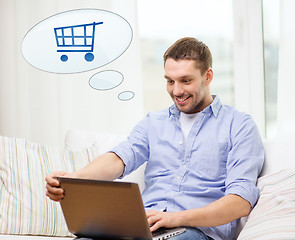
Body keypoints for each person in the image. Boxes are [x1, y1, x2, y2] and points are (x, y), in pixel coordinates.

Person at [46, 37, 264, 240]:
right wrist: (72, 180)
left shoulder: (239, 125)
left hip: (195, 232)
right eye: (170, 81)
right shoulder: (154, 122)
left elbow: (240, 202)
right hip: (143, 227)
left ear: (208, 76)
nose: (176, 91)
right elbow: (120, 159)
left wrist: (175, 218)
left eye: (185, 81)